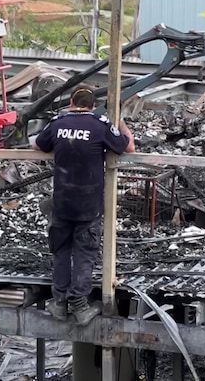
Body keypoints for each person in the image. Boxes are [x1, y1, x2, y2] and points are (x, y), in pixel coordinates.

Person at [32, 87, 135, 326]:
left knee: (61, 250)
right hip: (88, 204)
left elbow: (39, 145)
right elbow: (128, 147)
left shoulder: (59, 122)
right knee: (84, 253)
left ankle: (58, 303)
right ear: (92, 105)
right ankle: (79, 305)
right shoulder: (100, 125)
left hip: (62, 202)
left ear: (71, 102)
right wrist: (118, 121)